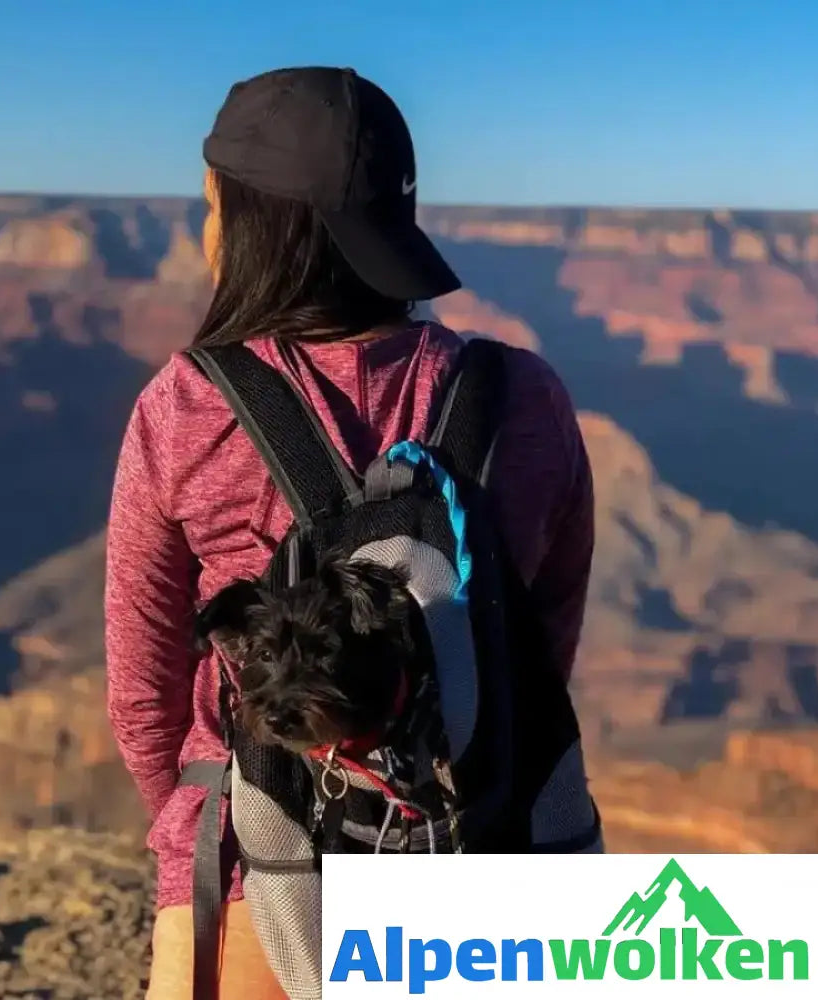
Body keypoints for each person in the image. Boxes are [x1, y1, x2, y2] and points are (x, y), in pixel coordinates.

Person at [105, 66, 594, 1000]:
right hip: (477, 854)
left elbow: (144, 691)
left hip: (253, 870)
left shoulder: (185, 406)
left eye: (211, 205)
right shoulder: (526, 396)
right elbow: (539, 645)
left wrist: (195, 820)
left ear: (250, 222)